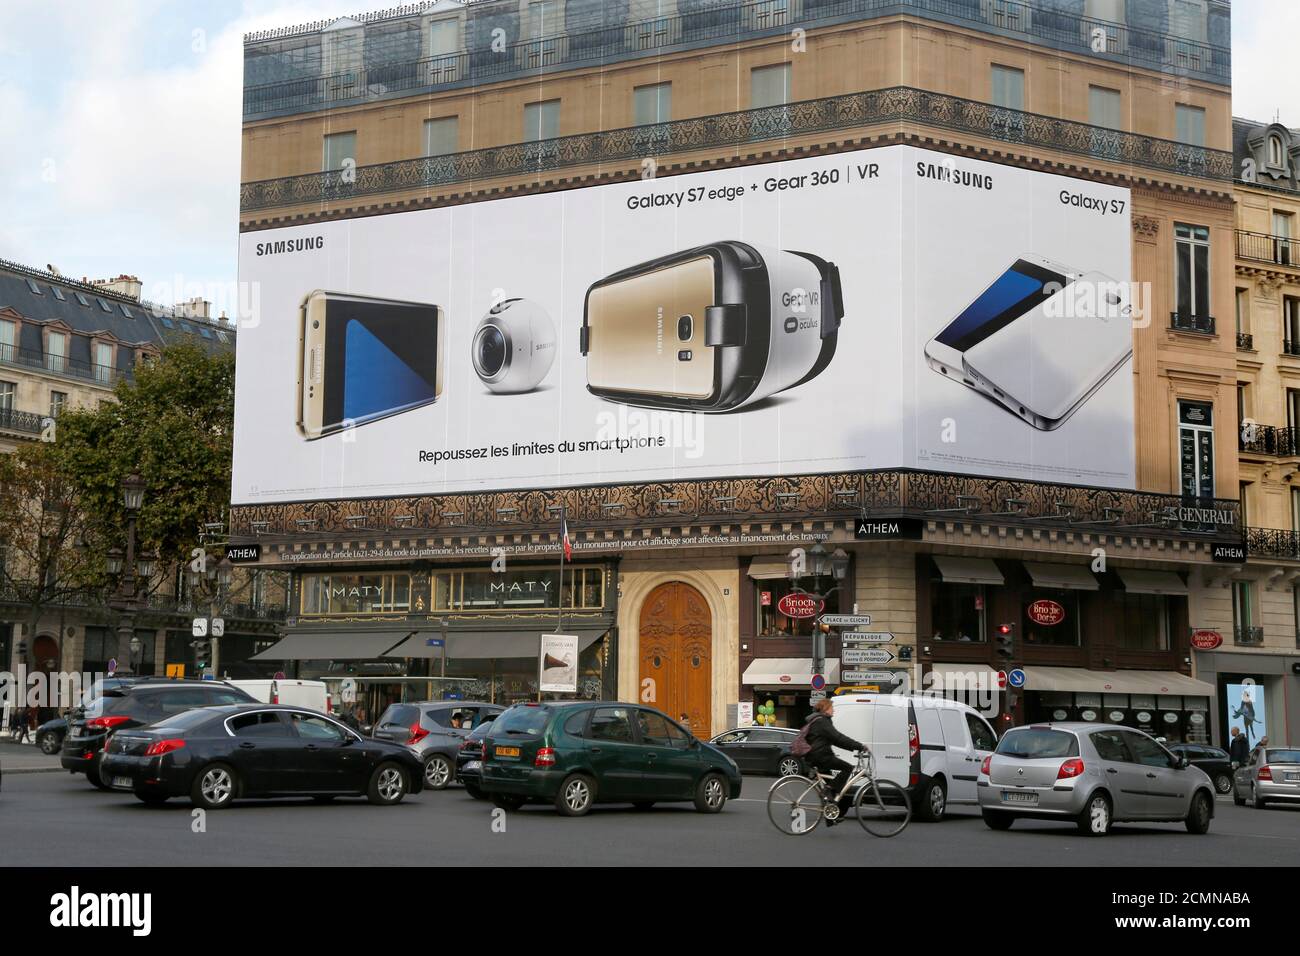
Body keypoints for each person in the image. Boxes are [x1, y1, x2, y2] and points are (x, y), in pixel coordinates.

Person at [801, 697, 866, 827]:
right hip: (821, 757)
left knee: (834, 792)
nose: (834, 710)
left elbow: (836, 740)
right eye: (832, 708)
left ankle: (831, 817)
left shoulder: (818, 720)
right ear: (826, 709)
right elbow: (838, 738)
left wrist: (853, 747)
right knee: (847, 768)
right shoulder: (822, 721)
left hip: (817, 756)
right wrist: (859, 746)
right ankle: (829, 791)